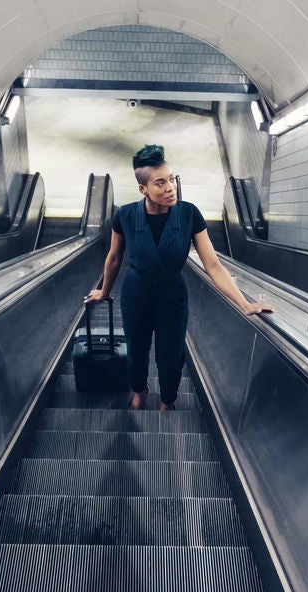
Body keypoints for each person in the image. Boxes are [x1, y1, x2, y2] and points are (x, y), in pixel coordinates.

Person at [84, 144, 273, 410]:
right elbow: (114, 258)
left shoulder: (188, 214)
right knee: (136, 350)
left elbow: (213, 265)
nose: (170, 187)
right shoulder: (125, 215)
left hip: (172, 295)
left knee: (171, 355)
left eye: (171, 179)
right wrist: (104, 292)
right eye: (160, 183)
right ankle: (139, 391)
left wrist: (244, 303)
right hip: (136, 294)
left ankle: (167, 401)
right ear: (143, 189)